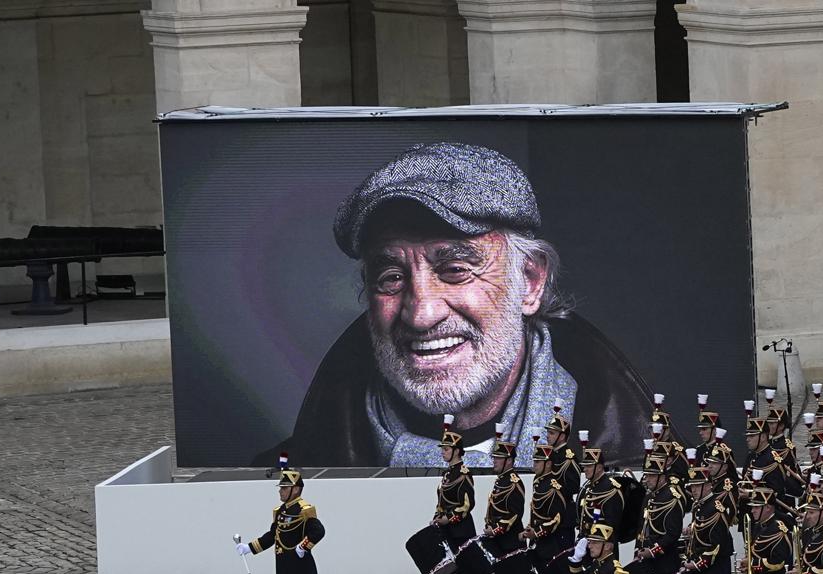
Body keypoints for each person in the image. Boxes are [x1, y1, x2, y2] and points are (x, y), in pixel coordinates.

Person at [276, 140, 648, 467]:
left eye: (455, 269)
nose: (422, 315)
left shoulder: (646, 475)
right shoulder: (281, 485)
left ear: (530, 282)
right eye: (391, 277)